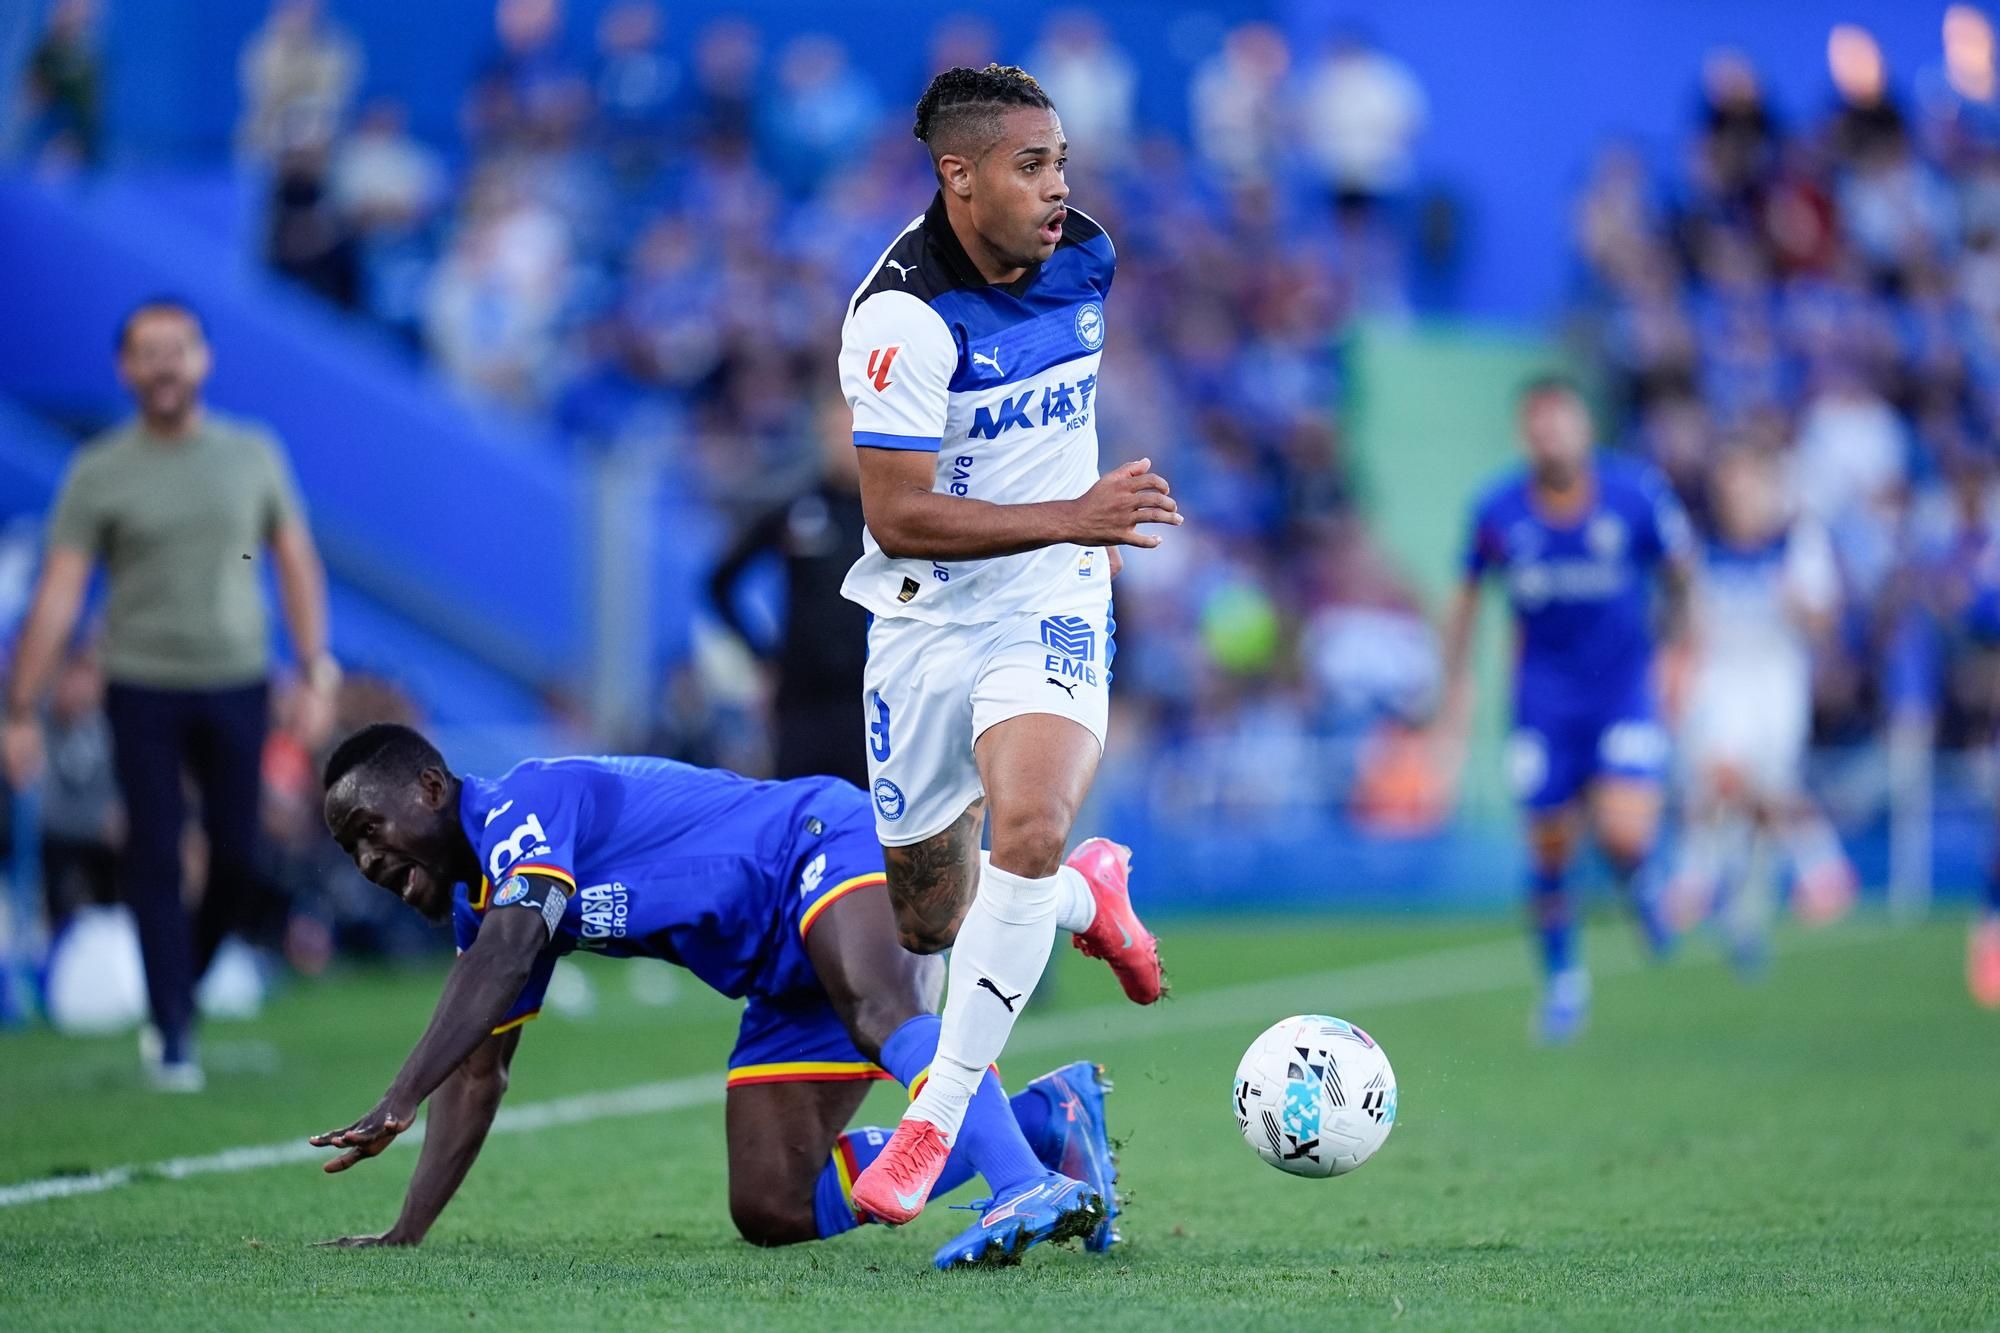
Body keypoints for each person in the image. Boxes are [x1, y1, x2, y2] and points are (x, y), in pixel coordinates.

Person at [307, 723, 1119, 1269]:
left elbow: (513, 945)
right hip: (775, 965)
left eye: (370, 829)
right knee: (772, 1204)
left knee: (882, 1012)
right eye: (350, 851)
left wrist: (398, 1094)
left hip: (816, 845)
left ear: (429, 787)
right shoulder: (479, 905)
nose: (368, 862)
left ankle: (1020, 1182)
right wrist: (403, 1231)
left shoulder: (520, 806)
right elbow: (478, 1074)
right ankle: (1052, 1121)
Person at [833, 64, 1180, 1224]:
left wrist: (1070, 536)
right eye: (1030, 166)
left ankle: (936, 1117)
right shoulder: (899, 320)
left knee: (1026, 825)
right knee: (931, 918)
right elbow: (895, 514)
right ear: (957, 174)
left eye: (1061, 162)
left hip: (1050, 592)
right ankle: (1090, 898)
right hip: (924, 616)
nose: (1057, 189)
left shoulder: (1086, 252)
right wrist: (1072, 508)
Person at [1, 298, 338, 1090]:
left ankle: (183, 981)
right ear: (124, 369)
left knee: (236, 852)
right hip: (142, 682)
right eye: (146, 352)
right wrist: (21, 707)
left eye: (176, 349)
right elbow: (59, 592)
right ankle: (173, 1027)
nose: (162, 365)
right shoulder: (100, 470)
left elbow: (296, 563)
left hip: (238, 678)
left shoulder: (253, 453)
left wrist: (317, 669)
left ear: (203, 361)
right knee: (153, 849)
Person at [1436, 377, 1693, 1044]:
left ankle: (1638, 880)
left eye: (1562, 421)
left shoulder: (1636, 495)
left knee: (1623, 832)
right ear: (1527, 434)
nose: (1551, 434)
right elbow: (1467, 595)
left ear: (1585, 426)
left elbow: (1681, 573)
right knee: (1549, 847)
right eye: (1538, 424)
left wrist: (1682, 653)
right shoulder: (1498, 510)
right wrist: (1457, 681)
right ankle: (1563, 983)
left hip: (1621, 691)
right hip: (1543, 702)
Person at [1666, 446, 1855, 971]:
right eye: (1730, 487)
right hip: (1721, 677)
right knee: (1719, 780)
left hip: (1774, 680)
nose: (1739, 498)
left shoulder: (1797, 542)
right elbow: (1689, 623)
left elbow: (1823, 621)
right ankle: (1705, 883)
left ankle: (1758, 891)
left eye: (1749, 485)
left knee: (1763, 794)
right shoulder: (1703, 547)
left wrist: (1798, 602)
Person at [707, 395, 871, 787]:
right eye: (837, 432)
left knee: (868, 817)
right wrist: (763, 656)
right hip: (802, 698)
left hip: (869, 694)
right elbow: (720, 582)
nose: (845, 443)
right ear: (821, 435)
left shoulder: (889, 515)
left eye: (854, 433)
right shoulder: (796, 506)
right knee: (795, 809)